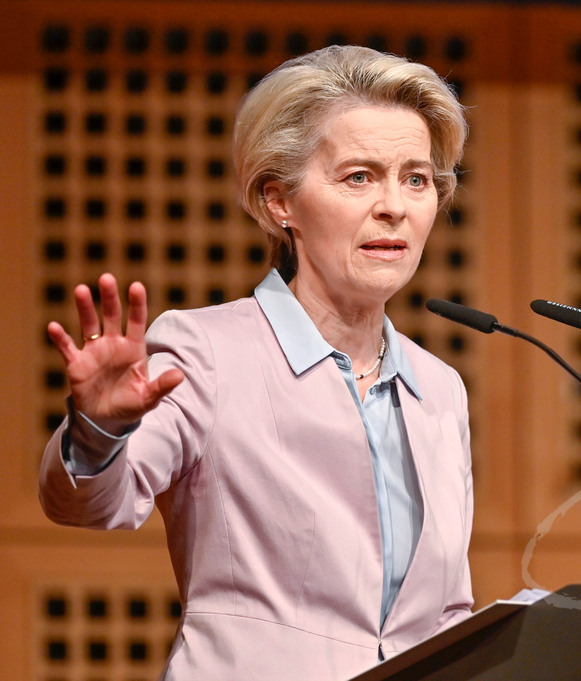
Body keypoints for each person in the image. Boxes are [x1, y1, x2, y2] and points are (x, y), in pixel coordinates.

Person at [38, 45, 474, 680]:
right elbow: (92, 504)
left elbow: (444, 613)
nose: (395, 206)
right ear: (279, 202)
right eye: (359, 177)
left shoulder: (439, 388)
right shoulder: (207, 352)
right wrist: (99, 429)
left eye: (416, 178)